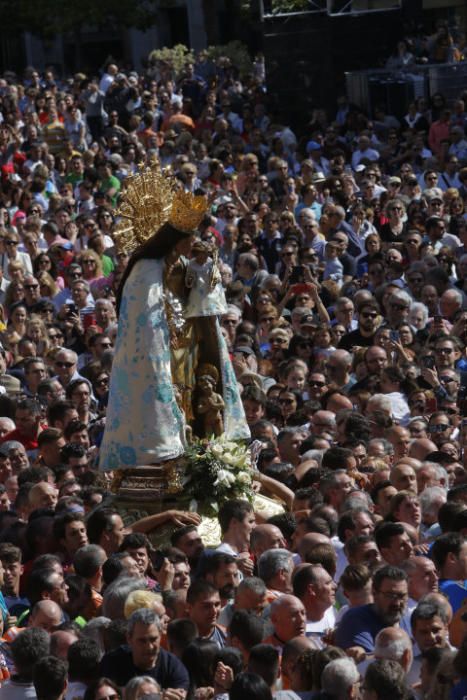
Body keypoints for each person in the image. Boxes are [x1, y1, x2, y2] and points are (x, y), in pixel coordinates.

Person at [99, 185, 249, 470]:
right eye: (189, 235)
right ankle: (170, 452)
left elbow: (206, 302)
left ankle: (194, 449)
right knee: (171, 401)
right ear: (174, 237)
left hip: (189, 348)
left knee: (192, 401)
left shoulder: (184, 263)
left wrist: (205, 267)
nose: (194, 240)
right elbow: (144, 325)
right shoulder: (145, 269)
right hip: (160, 355)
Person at [99, 608, 189, 689]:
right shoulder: (112, 662)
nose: (149, 647)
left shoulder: (173, 667)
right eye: (142, 641)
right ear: (129, 639)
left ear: (161, 635)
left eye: (153, 639)